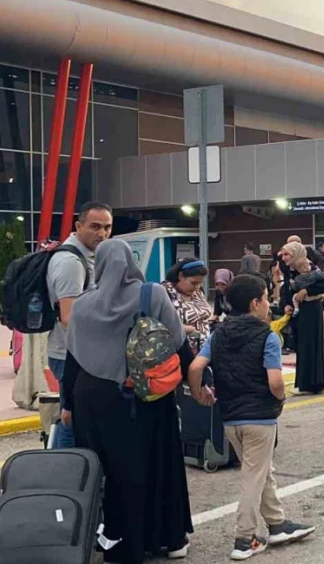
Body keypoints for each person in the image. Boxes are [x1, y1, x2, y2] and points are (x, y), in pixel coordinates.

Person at [62, 239, 193, 562]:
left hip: (92, 398)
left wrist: (67, 404)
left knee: (107, 472)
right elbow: (177, 343)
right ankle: (166, 538)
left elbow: (73, 359)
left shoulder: (82, 304)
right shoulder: (151, 293)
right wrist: (199, 383)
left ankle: (115, 543)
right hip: (145, 394)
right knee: (154, 465)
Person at [188, 274, 315, 560]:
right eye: (267, 298)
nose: (269, 304)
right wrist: (281, 397)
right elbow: (275, 381)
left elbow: (196, 367)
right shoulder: (267, 335)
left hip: (230, 416)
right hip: (259, 416)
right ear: (255, 302)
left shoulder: (218, 333)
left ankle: (278, 523)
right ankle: (244, 539)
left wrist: (200, 393)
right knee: (252, 477)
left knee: (260, 470)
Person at [46, 201, 111, 449]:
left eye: (107, 227)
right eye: (94, 227)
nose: (102, 234)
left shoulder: (86, 257)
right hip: (69, 356)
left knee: (78, 420)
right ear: (78, 226)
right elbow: (68, 318)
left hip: (76, 354)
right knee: (71, 420)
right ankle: (64, 480)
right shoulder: (70, 263)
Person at [280, 242, 324, 394]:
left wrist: (306, 291)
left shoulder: (310, 267)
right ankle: (304, 384)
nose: (283, 258)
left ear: (296, 253)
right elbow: (287, 289)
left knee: (311, 345)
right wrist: (287, 304)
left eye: (287, 254)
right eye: (283, 254)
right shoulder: (291, 270)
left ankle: (315, 383)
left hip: (312, 310)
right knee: (301, 346)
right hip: (299, 311)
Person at [162, 258, 214, 357]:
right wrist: (183, 328)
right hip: (179, 351)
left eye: (200, 283)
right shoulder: (166, 292)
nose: (197, 287)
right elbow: (160, 323)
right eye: (194, 283)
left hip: (203, 351)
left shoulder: (198, 292)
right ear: (181, 276)